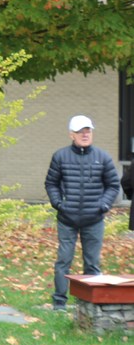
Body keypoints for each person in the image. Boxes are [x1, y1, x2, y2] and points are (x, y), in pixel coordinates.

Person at [44, 114, 120, 312]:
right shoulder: (60, 156)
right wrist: (59, 203)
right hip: (66, 219)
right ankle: (59, 302)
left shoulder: (103, 157)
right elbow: (51, 183)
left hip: (94, 219)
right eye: (80, 131)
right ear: (71, 134)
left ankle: (90, 304)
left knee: (92, 263)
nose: (85, 134)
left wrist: (103, 205)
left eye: (88, 130)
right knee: (64, 261)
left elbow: (113, 185)